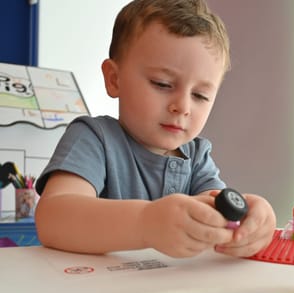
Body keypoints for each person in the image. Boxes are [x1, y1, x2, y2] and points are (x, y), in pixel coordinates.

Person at [35, 0, 276, 258]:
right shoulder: (94, 138)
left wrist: (250, 222)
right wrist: (145, 223)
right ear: (114, 79)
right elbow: (53, 219)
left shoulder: (196, 157)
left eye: (200, 95)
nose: (182, 106)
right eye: (162, 84)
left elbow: (215, 213)